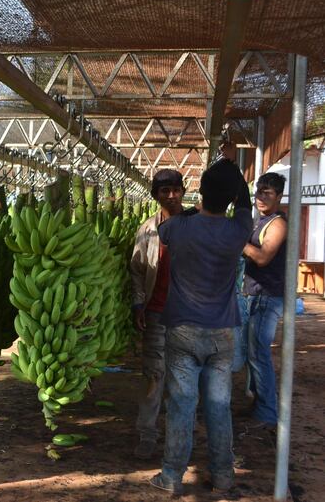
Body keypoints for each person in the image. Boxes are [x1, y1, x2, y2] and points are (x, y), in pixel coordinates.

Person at [149, 159, 253, 495]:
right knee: (219, 406)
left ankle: (170, 477)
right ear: (232, 196)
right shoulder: (238, 231)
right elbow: (245, 206)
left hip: (183, 329)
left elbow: (163, 229)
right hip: (223, 332)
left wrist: (191, 210)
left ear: (201, 192)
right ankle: (223, 474)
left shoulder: (179, 228)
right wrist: (239, 187)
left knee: (182, 404)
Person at [130, 169, 185, 459]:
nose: (172, 196)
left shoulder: (194, 225)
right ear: (156, 195)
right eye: (165, 191)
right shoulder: (147, 230)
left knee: (182, 379)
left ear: (183, 192)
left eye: (176, 190)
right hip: (156, 312)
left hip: (188, 317)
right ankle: (147, 434)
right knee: (153, 375)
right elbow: (137, 270)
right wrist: (138, 304)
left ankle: (177, 436)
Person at [242, 172, 288, 429]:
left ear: (279, 196)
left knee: (259, 354)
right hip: (257, 293)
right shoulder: (261, 220)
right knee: (253, 353)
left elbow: (262, 258)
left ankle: (268, 412)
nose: (260, 197)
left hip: (268, 296)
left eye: (267, 193)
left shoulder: (277, 224)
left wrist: (239, 241)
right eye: (259, 191)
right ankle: (260, 404)